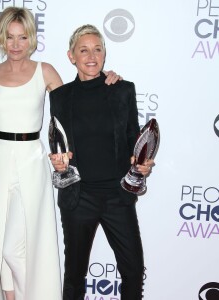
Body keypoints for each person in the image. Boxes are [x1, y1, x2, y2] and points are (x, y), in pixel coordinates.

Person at [0, 7, 120, 300]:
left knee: (19, 243)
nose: (15, 44)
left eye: (22, 37)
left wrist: (104, 80)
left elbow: (73, 108)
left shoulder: (45, 71)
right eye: (10, 37)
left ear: (31, 38)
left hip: (32, 160)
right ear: (2, 38)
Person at [49, 24, 154, 300]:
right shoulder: (59, 97)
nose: (91, 56)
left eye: (97, 49)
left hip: (118, 195)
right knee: (74, 276)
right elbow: (57, 145)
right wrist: (59, 163)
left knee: (133, 272)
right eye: (83, 50)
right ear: (71, 56)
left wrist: (140, 163)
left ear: (104, 54)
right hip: (78, 198)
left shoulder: (122, 90)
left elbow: (134, 139)